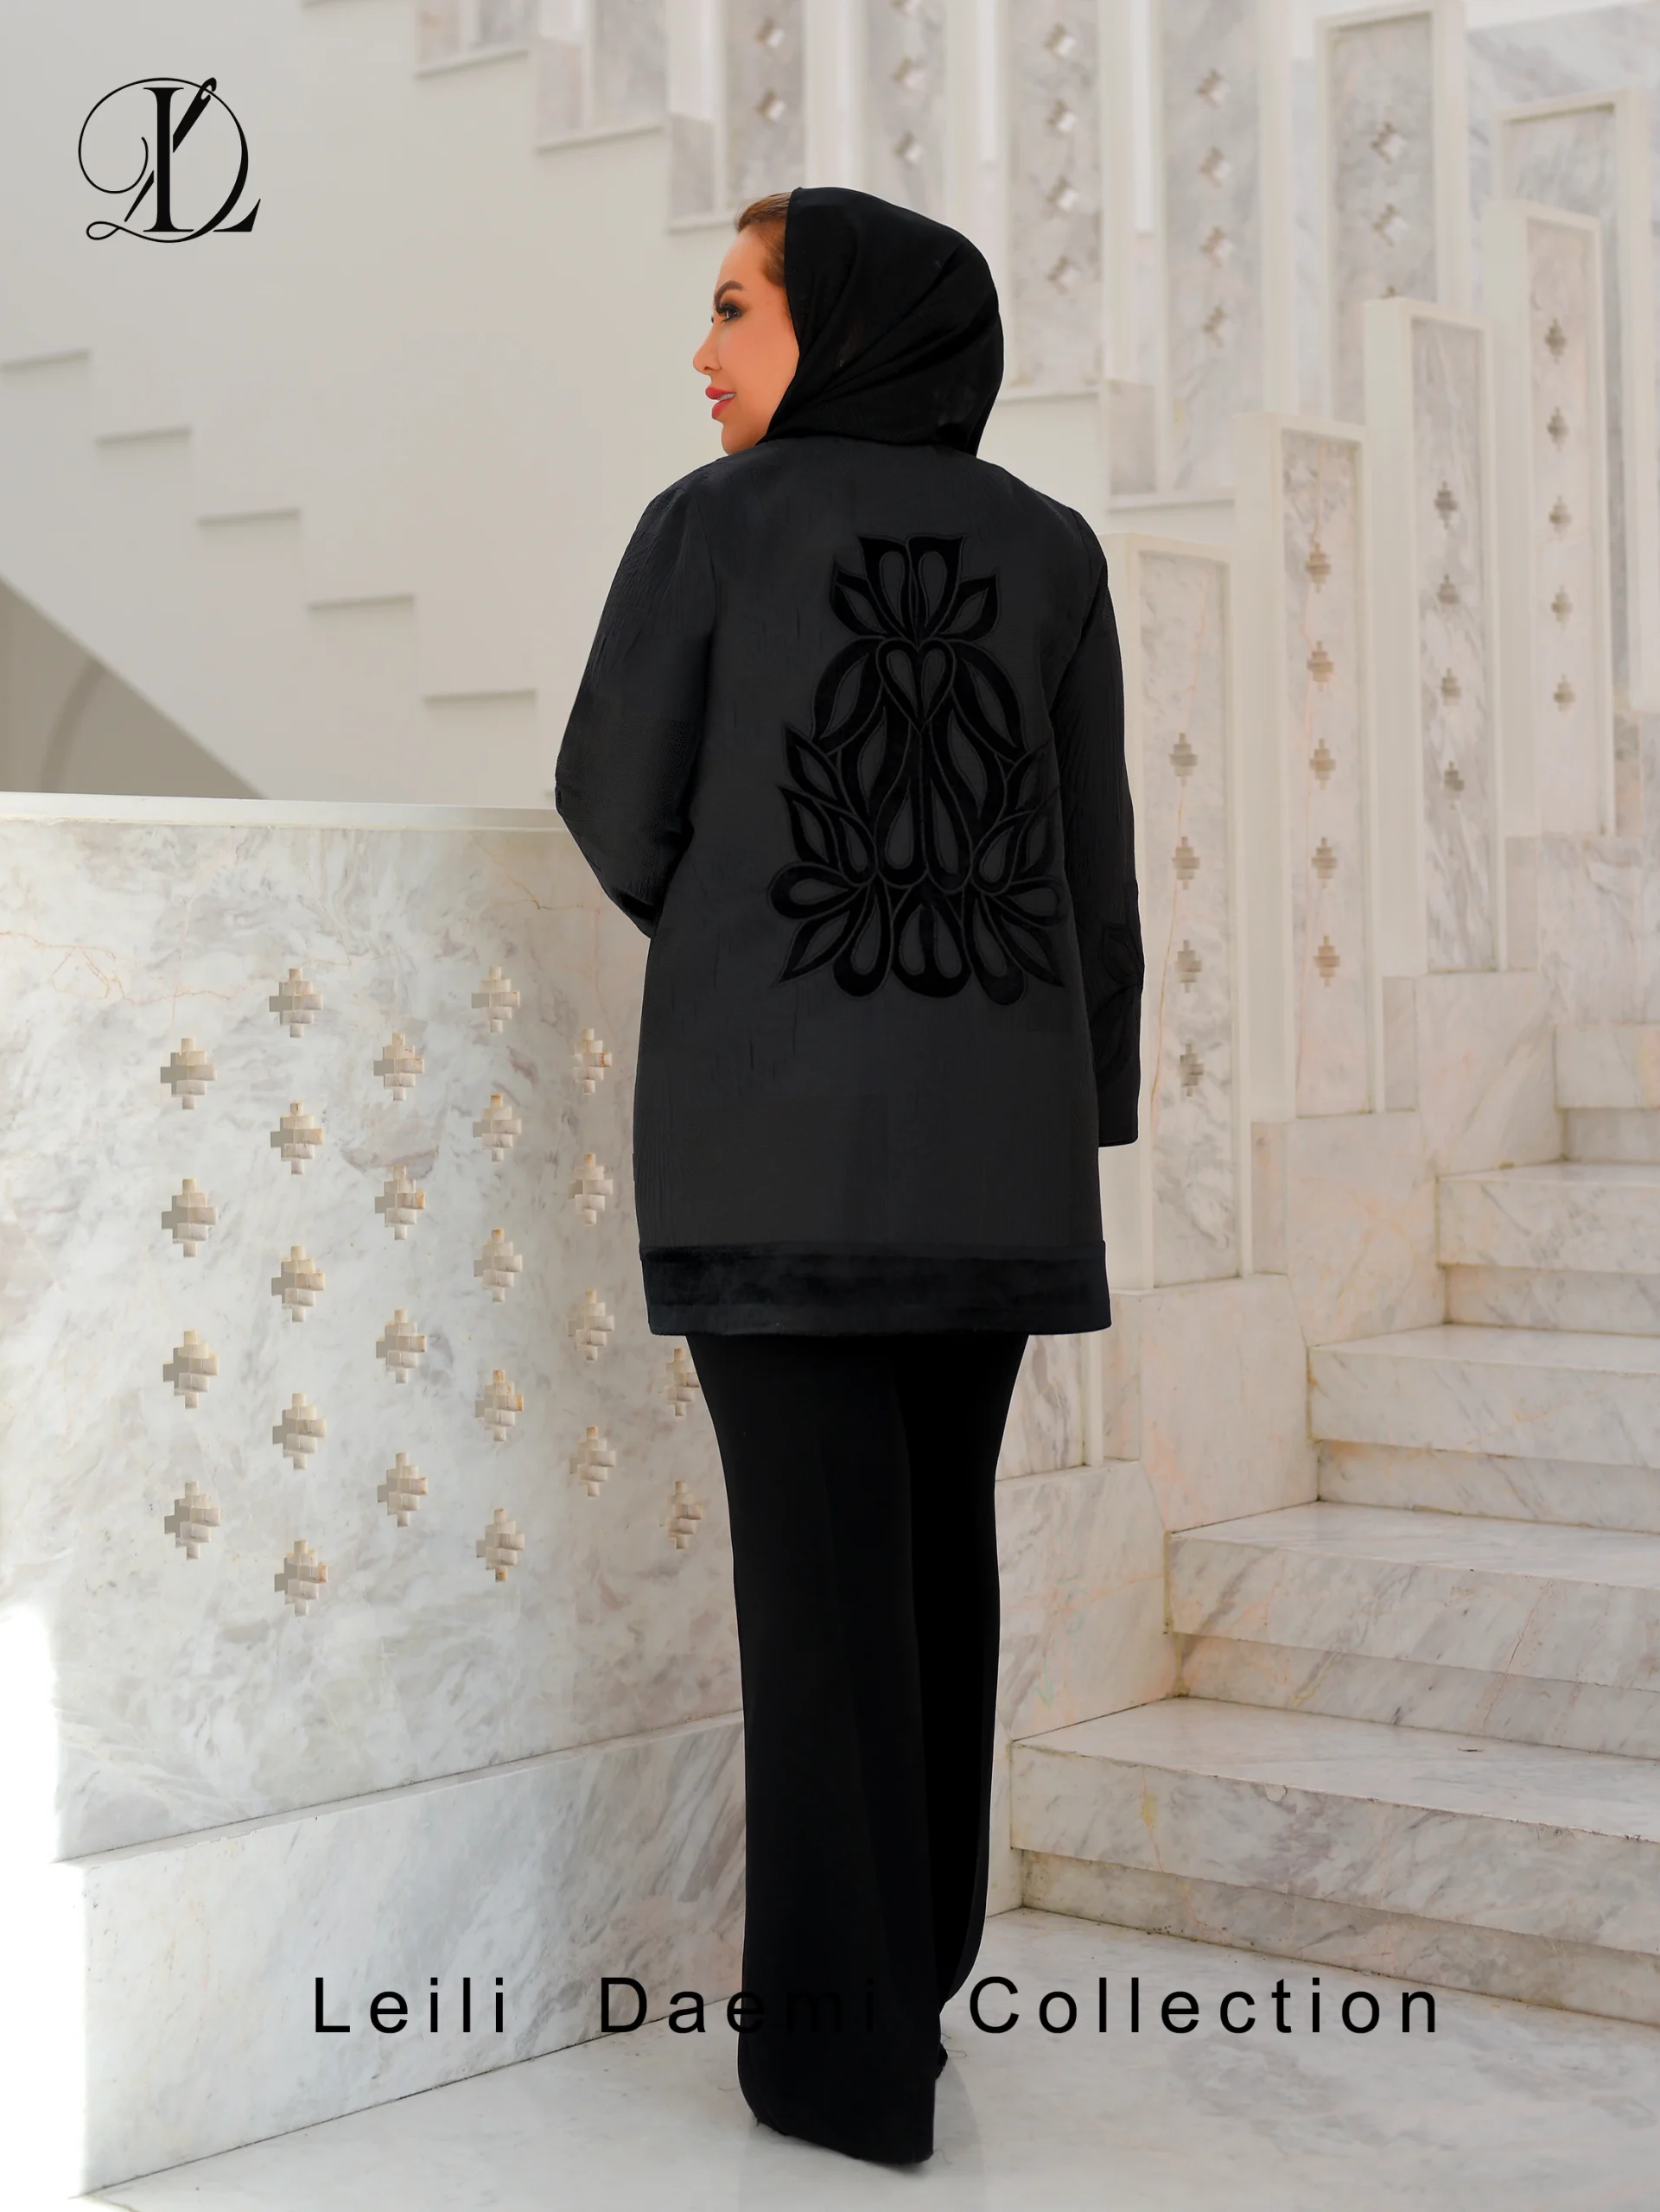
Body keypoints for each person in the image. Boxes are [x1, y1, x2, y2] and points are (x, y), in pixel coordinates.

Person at [556, 184, 1142, 2167]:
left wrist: (755, 947)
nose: (703, 351)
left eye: (735, 308)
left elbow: (610, 800)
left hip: (774, 1155)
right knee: (931, 1569)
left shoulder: (708, 526)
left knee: (817, 1595)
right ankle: (910, 1989)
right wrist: (1071, 1103)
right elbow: (1090, 877)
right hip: (994, 1164)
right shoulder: (1052, 550)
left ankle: (835, 2060)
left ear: (848, 327)